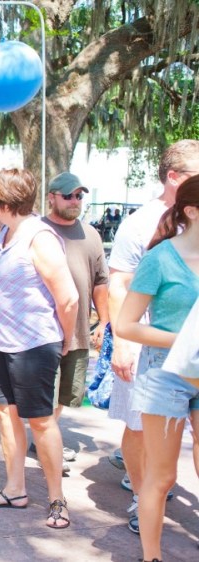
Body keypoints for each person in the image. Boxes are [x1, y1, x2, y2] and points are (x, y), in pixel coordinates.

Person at [0, 169, 78, 532]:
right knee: (5, 414)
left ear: (3, 202)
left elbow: (68, 298)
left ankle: (57, 500)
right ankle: (14, 490)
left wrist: (64, 341)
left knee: (41, 421)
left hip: (34, 344)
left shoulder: (39, 237)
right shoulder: (5, 233)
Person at [107, 139, 199, 535]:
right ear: (175, 178)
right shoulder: (140, 224)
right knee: (139, 429)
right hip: (154, 355)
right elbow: (119, 283)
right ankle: (141, 498)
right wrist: (124, 343)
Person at [40, 172, 109, 470]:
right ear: (51, 197)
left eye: (79, 196)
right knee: (44, 391)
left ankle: (45, 438)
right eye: (68, 195)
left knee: (64, 394)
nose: (74, 201)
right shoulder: (38, 230)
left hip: (78, 332)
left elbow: (100, 283)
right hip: (41, 332)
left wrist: (104, 322)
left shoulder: (91, 235)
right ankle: (46, 444)